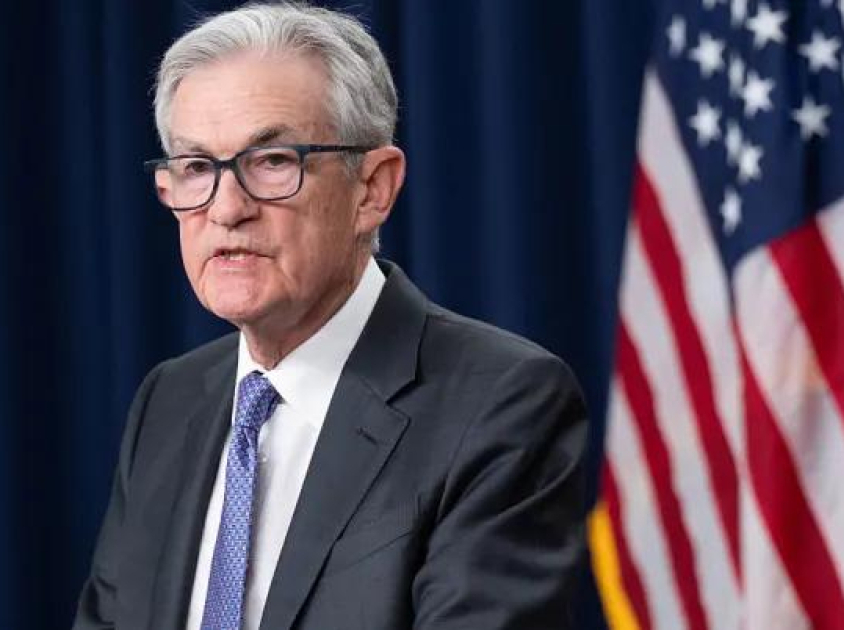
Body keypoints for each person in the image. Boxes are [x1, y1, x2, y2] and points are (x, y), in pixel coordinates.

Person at [73, 4, 587, 629]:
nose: (227, 209)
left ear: (373, 188)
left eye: (272, 161)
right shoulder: (169, 400)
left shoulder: (500, 404)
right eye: (197, 168)